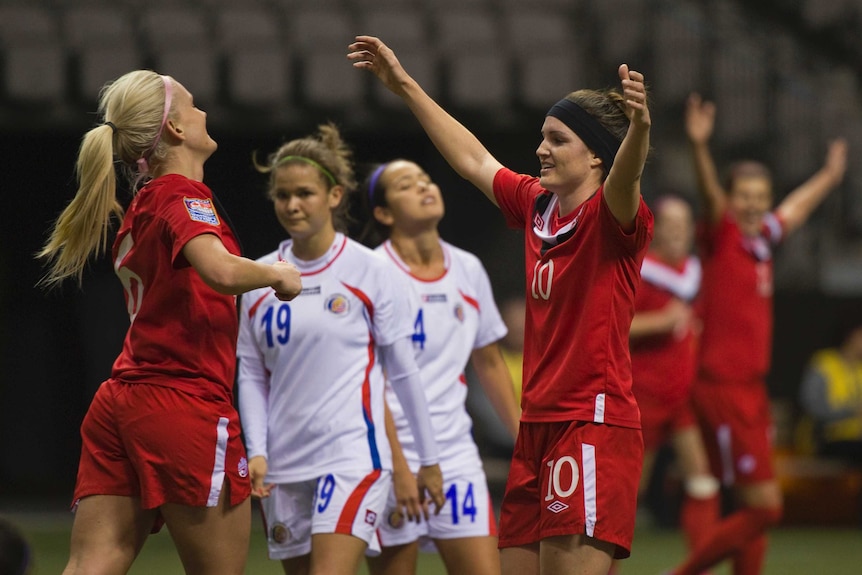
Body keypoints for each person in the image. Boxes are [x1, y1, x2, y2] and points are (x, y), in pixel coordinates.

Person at [349, 36, 654, 575]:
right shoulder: (538, 205)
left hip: (588, 422)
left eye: (557, 139)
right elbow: (471, 159)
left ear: (596, 157)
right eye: (541, 136)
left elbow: (626, 177)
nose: (541, 148)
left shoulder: (612, 219)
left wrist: (641, 132)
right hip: (535, 424)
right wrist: (404, 85)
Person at [36, 70, 303, 575]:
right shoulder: (182, 194)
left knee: (93, 563)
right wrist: (276, 274)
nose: (203, 112)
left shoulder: (144, 202)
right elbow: (220, 270)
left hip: (121, 401)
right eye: (193, 105)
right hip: (183, 403)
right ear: (176, 130)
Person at [236, 125, 445, 575]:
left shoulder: (370, 271)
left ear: (334, 196)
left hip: (352, 456)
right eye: (283, 194)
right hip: (283, 464)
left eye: (305, 193)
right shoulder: (255, 278)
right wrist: (256, 450)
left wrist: (427, 460)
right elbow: (252, 373)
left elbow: (403, 373)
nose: (293, 205)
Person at [668, 93, 849, 575]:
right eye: (744, 195)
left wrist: (829, 178)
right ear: (731, 200)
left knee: (750, 508)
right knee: (765, 506)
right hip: (722, 389)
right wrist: (700, 148)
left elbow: (797, 209)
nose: (753, 204)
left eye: (760, 196)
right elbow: (708, 194)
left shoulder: (762, 241)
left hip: (749, 390)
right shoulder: (722, 232)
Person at [360, 158, 521, 575]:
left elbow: (488, 361)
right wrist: (397, 464)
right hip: (392, 458)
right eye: (406, 185)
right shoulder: (370, 273)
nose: (423, 186)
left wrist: (524, 439)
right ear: (383, 213)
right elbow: (367, 378)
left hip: (456, 455)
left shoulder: (467, 268)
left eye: (426, 178)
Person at [627, 195, 718, 552]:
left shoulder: (693, 273)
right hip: (643, 395)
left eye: (684, 223)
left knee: (701, 479)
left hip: (681, 396)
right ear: (657, 228)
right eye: (671, 223)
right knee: (632, 492)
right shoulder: (641, 268)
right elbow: (614, 324)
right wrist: (661, 322)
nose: (678, 231)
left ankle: (701, 564)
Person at [798, 320, 862, 466]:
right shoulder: (824, 363)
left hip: (856, 440)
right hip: (826, 439)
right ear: (851, 336)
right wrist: (851, 411)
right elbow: (812, 406)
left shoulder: (860, 369)